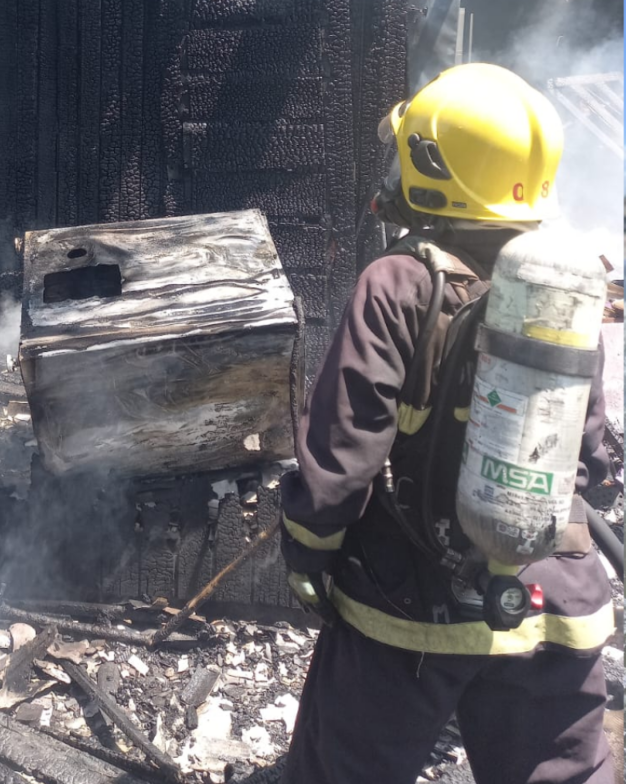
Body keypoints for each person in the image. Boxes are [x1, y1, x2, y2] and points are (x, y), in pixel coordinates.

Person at [279, 62, 616, 784]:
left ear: (435, 168)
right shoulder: (568, 287)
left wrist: (308, 550)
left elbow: (345, 450)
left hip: (413, 608)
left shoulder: (401, 281)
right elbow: (592, 463)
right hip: (550, 601)